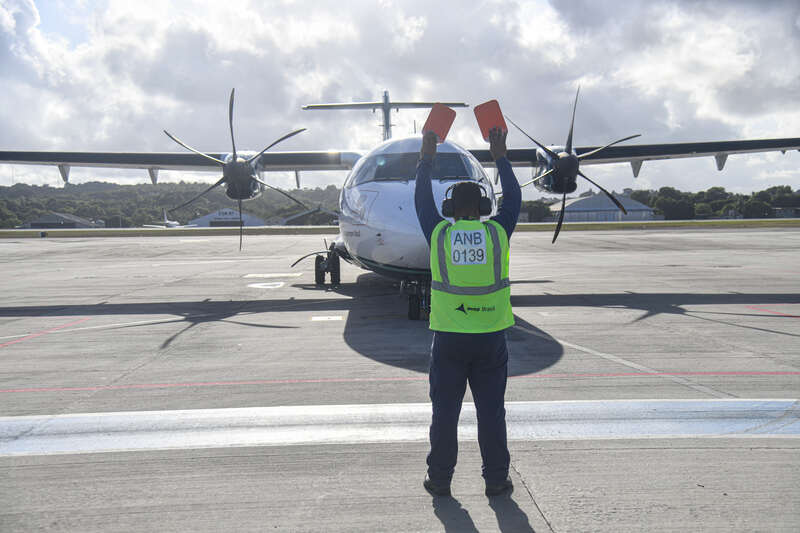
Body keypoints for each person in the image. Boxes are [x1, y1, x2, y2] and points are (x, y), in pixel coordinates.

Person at [414, 127, 521, 497]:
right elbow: (514, 200)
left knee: (444, 415)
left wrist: (427, 156)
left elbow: (421, 202)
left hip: (449, 339)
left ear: (449, 210)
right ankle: (495, 479)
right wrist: (500, 155)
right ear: (483, 208)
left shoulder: (439, 235)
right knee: (492, 415)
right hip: (491, 338)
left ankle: (440, 479)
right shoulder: (497, 234)